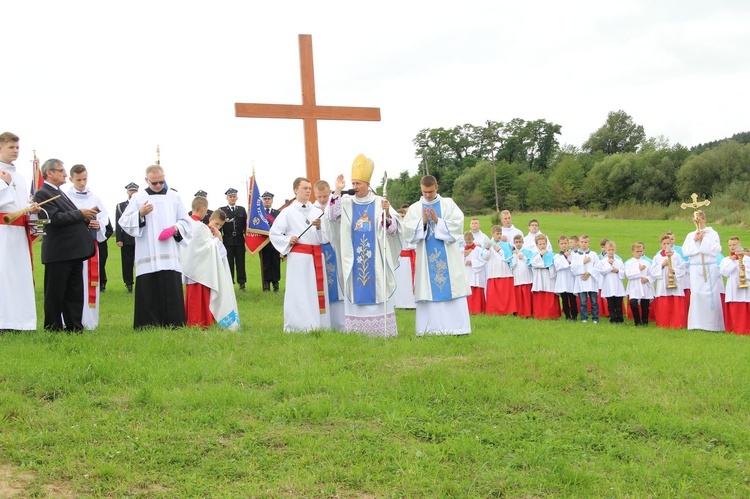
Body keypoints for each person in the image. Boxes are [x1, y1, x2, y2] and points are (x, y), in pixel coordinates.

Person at [328, 154, 402, 337]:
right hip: (352, 256)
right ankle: (356, 331)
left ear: (367, 184)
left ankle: (381, 330)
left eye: (358, 184)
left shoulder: (379, 202)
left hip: (376, 257)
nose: (354, 187)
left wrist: (387, 214)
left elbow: (393, 230)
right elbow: (331, 216)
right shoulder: (346, 202)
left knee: (377, 285)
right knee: (355, 284)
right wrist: (337, 190)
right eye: (352, 184)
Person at [119, 164, 193, 329]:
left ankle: (175, 323)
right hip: (148, 251)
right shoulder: (138, 198)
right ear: (146, 180)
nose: (158, 186)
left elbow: (186, 222)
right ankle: (148, 324)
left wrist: (176, 228)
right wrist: (140, 214)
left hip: (169, 252)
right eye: (154, 183)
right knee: (149, 287)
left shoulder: (174, 196)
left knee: (171, 287)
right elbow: (124, 222)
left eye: (161, 181)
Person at [33, 159, 98, 332]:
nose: (64, 173)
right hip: (58, 252)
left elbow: (68, 217)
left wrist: (85, 218)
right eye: (60, 170)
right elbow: (52, 219)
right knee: (55, 293)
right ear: (49, 173)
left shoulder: (60, 192)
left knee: (74, 292)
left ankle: (74, 327)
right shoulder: (42, 193)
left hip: (73, 251)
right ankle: (53, 327)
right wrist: (80, 213)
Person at [403, 174, 471, 336]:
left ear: (437, 188)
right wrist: (423, 223)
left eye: (431, 192)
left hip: (449, 256)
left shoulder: (448, 204)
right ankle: (430, 329)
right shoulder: (414, 208)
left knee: (452, 288)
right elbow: (407, 231)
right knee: (428, 289)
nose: (428, 195)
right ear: (421, 188)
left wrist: (438, 221)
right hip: (426, 260)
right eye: (425, 192)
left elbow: (458, 225)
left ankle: (457, 328)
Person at [270, 177, 330, 332]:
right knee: (299, 291)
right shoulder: (287, 212)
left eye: (310, 188)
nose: (308, 191)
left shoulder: (317, 211)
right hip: (298, 257)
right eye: (305, 188)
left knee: (314, 291)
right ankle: (299, 324)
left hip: (316, 256)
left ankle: (319, 324)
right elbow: (274, 233)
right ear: (296, 190)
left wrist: (318, 227)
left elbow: (325, 237)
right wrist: (288, 239)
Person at [0, 132, 40, 331]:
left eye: (17, 147)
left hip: (18, 234)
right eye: (11, 147)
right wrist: (5, 184)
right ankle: (4, 322)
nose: (15, 151)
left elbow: (22, 203)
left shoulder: (20, 177)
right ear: (0, 148)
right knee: (4, 276)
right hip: (3, 233)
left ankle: (21, 322)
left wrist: (31, 208)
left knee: (20, 276)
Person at [64, 164, 110, 330]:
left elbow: (105, 218)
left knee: (90, 283)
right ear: (71, 179)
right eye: (78, 180)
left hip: (90, 246)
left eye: (84, 179)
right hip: (72, 247)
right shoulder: (65, 197)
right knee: (73, 284)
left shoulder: (94, 197)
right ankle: (69, 320)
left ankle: (89, 322)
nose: (82, 183)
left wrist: (99, 224)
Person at [182, 202, 240, 330]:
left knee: (205, 296)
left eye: (220, 226)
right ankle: (197, 321)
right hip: (198, 269)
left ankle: (205, 320)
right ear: (210, 218)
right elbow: (207, 247)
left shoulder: (204, 229)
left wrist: (217, 238)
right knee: (197, 297)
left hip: (204, 268)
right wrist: (218, 239)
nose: (217, 227)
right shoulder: (201, 228)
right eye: (216, 224)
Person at [682, 210, 724, 332]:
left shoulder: (713, 233)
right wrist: (695, 240)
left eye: (699, 219)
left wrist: (704, 240)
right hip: (696, 268)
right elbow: (686, 251)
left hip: (709, 267)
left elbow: (716, 250)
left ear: (704, 219)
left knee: (711, 295)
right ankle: (696, 324)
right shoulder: (690, 235)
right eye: (695, 220)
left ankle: (713, 325)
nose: (698, 222)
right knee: (696, 294)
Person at [314, 180, 345, 329]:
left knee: (338, 287)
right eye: (319, 196)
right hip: (320, 251)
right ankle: (325, 322)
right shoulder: (311, 209)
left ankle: (341, 322)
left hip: (337, 249)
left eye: (325, 196)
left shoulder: (336, 205)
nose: (322, 200)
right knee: (323, 288)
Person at [650, 234, 688, 329]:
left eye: (668, 243)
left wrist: (675, 271)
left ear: (671, 243)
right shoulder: (657, 257)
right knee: (664, 303)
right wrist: (662, 265)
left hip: (675, 282)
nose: (666, 245)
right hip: (663, 283)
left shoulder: (676, 256)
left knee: (676, 302)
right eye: (664, 243)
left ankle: (677, 323)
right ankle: (664, 323)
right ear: (660, 244)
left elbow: (682, 268)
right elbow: (653, 271)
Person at [482, 224, 516, 316]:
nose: (499, 235)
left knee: (505, 294)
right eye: (497, 233)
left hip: (505, 272)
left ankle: (508, 310)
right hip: (493, 272)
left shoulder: (505, 245)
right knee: (494, 295)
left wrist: (499, 250)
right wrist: (487, 248)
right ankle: (494, 311)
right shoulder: (487, 244)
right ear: (492, 234)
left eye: (500, 233)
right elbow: (485, 257)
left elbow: (509, 258)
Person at [719, 236, 750, 335]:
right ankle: (733, 329)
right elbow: (724, 272)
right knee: (734, 308)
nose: (732, 247)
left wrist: (744, 269)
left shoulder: (747, 259)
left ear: (739, 244)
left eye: (734, 244)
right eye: (730, 245)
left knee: (744, 308)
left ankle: (745, 329)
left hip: (745, 288)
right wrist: (732, 262)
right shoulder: (726, 260)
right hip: (732, 287)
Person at [219, 187, 248, 291]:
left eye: (234, 196)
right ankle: (229, 283)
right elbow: (219, 226)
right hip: (227, 240)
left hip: (239, 239)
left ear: (237, 198)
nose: (232, 198)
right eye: (230, 196)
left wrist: (248, 240)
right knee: (229, 262)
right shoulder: (222, 210)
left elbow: (246, 226)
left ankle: (242, 283)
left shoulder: (241, 209)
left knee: (241, 262)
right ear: (227, 198)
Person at [571, 234, 600, 323]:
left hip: (591, 280)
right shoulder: (575, 255)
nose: (584, 244)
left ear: (589, 243)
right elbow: (573, 268)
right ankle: (584, 318)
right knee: (583, 301)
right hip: (581, 280)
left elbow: (598, 266)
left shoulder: (593, 254)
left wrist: (588, 273)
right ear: (579, 243)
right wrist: (583, 262)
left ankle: (595, 318)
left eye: (586, 242)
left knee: (594, 301)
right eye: (582, 242)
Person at [530, 234, 561, 319]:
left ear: (546, 244)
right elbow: (533, 264)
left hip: (548, 276)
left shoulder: (552, 255)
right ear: (537, 245)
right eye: (540, 244)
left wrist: (545, 266)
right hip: (539, 277)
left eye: (544, 244)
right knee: (540, 294)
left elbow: (554, 266)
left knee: (549, 293)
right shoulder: (534, 255)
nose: (542, 246)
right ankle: (540, 314)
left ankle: (551, 314)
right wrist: (540, 255)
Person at [115, 182, 138, 293]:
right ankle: (128, 284)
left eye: (134, 190)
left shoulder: (141, 204)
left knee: (140, 263)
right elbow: (118, 223)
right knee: (127, 263)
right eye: (131, 190)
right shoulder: (120, 206)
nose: (132, 192)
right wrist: (119, 239)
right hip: (127, 239)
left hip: (139, 238)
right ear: (127, 192)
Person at [392, 207, 417, 310]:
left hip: (408, 258)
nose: (402, 219)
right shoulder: (395, 228)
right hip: (398, 257)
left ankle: (409, 302)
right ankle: (397, 302)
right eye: (400, 217)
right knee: (398, 281)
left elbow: (413, 243)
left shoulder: (409, 227)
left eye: (403, 216)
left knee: (408, 281)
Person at [625, 242, 654, 326]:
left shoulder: (647, 262)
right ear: (632, 251)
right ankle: (637, 321)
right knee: (633, 303)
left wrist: (647, 279)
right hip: (634, 286)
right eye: (637, 251)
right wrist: (638, 270)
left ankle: (645, 321)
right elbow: (628, 275)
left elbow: (652, 274)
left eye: (641, 251)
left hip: (644, 285)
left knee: (645, 305)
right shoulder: (629, 263)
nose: (639, 253)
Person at [599, 240, 626, 324]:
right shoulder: (603, 262)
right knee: (611, 303)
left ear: (615, 250)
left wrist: (617, 271)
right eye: (609, 250)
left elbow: (624, 273)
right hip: (608, 284)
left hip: (617, 284)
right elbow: (602, 272)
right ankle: (613, 317)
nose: (611, 252)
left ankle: (620, 318)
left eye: (612, 250)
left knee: (618, 303)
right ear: (606, 250)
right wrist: (609, 265)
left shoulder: (619, 261)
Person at [259, 191, 281, 292]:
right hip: (263, 242)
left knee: (275, 263)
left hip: (275, 242)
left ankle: (275, 283)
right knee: (265, 263)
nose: (267, 201)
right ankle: (266, 283)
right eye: (265, 199)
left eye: (268, 199)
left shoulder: (277, 213)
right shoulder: (259, 214)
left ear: (272, 200)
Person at [553, 235, 578, 322]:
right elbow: (558, 266)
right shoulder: (557, 256)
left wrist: (569, 262)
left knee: (572, 300)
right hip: (562, 280)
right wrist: (564, 258)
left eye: (565, 243)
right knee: (564, 300)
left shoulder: (574, 254)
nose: (564, 245)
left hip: (571, 280)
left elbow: (575, 266)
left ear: (568, 244)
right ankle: (567, 316)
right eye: (562, 243)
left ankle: (574, 316)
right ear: (559, 244)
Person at [463, 231, 486, 314]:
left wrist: (472, 262)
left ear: (473, 239)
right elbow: (457, 262)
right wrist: (464, 258)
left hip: (476, 274)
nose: (469, 244)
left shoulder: (479, 249)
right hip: (467, 273)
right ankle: (468, 310)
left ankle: (478, 309)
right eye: (467, 242)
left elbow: (483, 261)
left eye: (470, 242)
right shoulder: (462, 250)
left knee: (477, 292)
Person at [511, 233, 533, 318]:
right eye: (516, 242)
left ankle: (527, 312)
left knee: (526, 297)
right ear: (514, 243)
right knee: (518, 297)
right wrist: (515, 255)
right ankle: (518, 312)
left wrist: (523, 258)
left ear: (523, 242)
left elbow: (530, 264)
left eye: (520, 241)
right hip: (517, 278)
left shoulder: (528, 252)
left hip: (526, 277)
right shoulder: (513, 253)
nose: (518, 243)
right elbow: (512, 265)